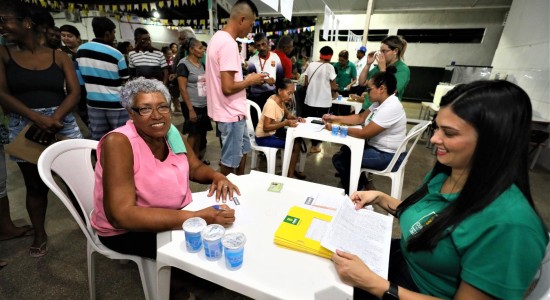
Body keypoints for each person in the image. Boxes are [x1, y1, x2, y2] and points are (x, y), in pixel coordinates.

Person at [332, 80, 549, 299]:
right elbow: (427, 220)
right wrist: (380, 197)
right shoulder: (448, 173)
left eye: (450, 133)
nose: (435, 139)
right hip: (395, 264)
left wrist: (375, 285)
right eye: (436, 128)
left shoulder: (511, 227)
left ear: (494, 140)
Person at [91, 77, 236, 260]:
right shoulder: (119, 143)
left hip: (175, 214)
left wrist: (217, 176)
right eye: (145, 109)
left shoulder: (170, 133)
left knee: (220, 242)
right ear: (130, 113)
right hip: (128, 231)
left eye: (162, 106)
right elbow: (121, 216)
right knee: (205, 257)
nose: (157, 115)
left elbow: (195, 167)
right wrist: (196, 217)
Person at [0, 0, 83, 257]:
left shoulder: (59, 56)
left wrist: (54, 117)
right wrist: (37, 118)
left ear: (26, 22)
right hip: (24, 124)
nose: (1, 26)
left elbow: (74, 91)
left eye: (5, 20)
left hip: (62, 123)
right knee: (35, 186)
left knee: (78, 180)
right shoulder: (4, 54)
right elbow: (1, 94)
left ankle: (92, 224)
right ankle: (40, 232)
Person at [205, 0, 265, 176]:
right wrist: (250, 80)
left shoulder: (217, 38)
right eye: (251, 24)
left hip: (230, 111)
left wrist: (245, 79)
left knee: (243, 149)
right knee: (229, 162)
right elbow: (228, 87)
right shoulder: (228, 44)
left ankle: (239, 184)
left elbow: (225, 81)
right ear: (242, 19)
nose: (251, 29)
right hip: (230, 113)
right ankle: (224, 194)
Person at [324, 67, 406, 195]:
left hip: (389, 156)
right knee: (345, 150)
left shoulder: (390, 106)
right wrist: (334, 118)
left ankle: (355, 193)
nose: (367, 93)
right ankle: (362, 183)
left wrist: (336, 128)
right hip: (379, 148)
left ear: (382, 89)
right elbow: (360, 117)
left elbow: (364, 133)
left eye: (369, 89)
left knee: (340, 160)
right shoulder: (379, 103)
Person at [77, 17, 129, 140]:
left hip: (94, 104)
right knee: (122, 137)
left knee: (99, 139)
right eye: (114, 32)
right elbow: (125, 80)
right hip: (116, 104)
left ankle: (101, 159)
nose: (114, 35)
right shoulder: (116, 54)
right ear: (107, 34)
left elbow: (80, 79)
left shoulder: (81, 50)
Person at [255, 78, 306, 179]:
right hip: (263, 138)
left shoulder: (280, 100)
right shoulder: (272, 104)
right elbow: (266, 127)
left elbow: (287, 115)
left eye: (292, 94)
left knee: (297, 141)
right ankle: (289, 174)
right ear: (279, 90)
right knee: (295, 144)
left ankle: (290, 170)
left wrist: (297, 118)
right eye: (289, 93)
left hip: (270, 135)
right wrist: (285, 123)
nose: (291, 97)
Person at [177, 38, 212, 164]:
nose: (203, 50)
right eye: (200, 48)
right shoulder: (183, 64)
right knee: (193, 134)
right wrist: (191, 109)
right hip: (191, 105)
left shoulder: (201, 64)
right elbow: (182, 88)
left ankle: (196, 159)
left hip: (203, 104)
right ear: (191, 50)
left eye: (203, 48)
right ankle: (187, 162)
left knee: (200, 134)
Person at [357, 35, 409, 110]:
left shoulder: (403, 69)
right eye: (380, 51)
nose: (381, 54)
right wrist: (368, 64)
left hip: (384, 111)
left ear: (395, 51)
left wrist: (382, 69)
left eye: (384, 51)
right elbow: (362, 82)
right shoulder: (379, 66)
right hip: (369, 108)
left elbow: (391, 91)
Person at [247, 32, 284, 129]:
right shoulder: (252, 60)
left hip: (271, 96)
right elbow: (251, 80)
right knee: (257, 125)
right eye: (258, 45)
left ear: (268, 43)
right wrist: (267, 81)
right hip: (256, 97)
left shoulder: (275, 57)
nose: (261, 48)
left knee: (272, 124)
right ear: (255, 46)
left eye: (263, 44)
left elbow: (280, 78)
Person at [304, 46, 337, 153]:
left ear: (320, 54)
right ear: (330, 56)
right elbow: (333, 86)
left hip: (310, 98)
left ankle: (311, 142)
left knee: (311, 120)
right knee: (321, 121)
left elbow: (306, 82)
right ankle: (315, 145)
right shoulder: (330, 67)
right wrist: (334, 93)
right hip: (324, 100)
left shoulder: (311, 65)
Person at [59, 24, 88, 127]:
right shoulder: (61, 53)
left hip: (87, 86)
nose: (66, 38)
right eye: (63, 35)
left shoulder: (84, 50)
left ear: (78, 37)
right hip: (71, 87)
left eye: (69, 36)